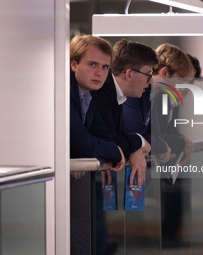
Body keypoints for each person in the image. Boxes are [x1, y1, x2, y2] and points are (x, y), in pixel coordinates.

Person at [69, 34, 125, 255]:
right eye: (92, 64)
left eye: (104, 67)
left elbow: (104, 138)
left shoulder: (87, 96)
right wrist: (115, 152)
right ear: (74, 64)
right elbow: (85, 143)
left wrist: (112, 151)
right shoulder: (64, 93)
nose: (99, 73)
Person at [91, 39, 158, 188]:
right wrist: (139, 141)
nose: (149, 82)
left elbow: (117, 140)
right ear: (129, 74)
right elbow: (111, 143)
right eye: (148, 75)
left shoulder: (116, 94)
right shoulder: (100, 91)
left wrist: (134, 149)